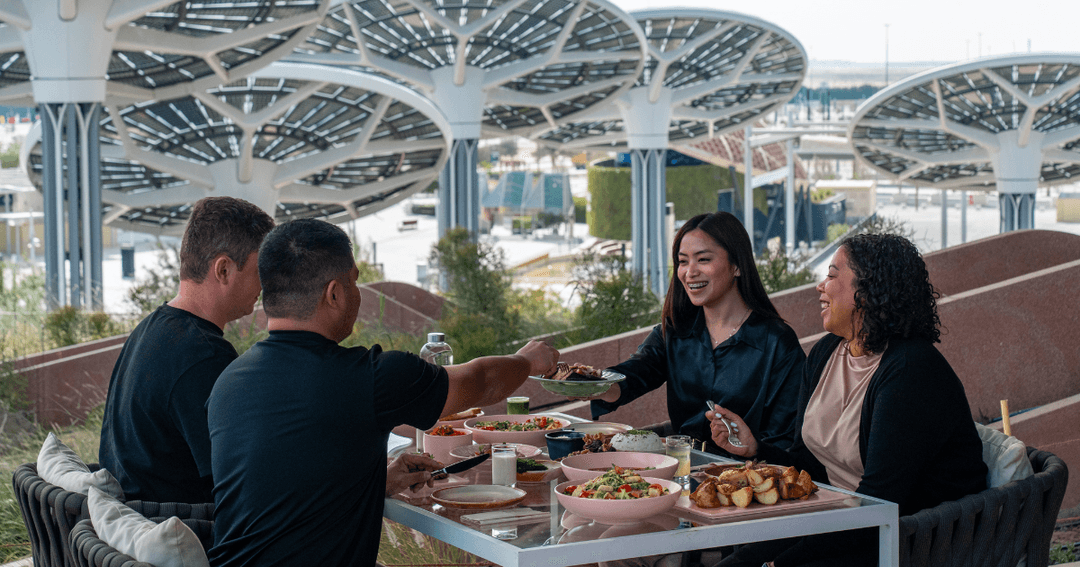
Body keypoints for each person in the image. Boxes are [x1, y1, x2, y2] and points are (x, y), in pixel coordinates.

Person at [206, 219, 559, 567]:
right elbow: (480, 381)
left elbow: (277, 489)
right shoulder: (372, 378)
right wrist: (526, 360)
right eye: (355, 281)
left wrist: (376, 480)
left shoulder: (227, 383)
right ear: (334, 293)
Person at [707, 233, 988, 567]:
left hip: (914, 538)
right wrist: (756, 449)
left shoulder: (911, 372)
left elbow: (881, 503)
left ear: (867, 292)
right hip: (841, 519)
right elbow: (809, 465)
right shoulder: (826, 353)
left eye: (831, 275)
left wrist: (785, 563)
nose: (820, 286)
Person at [98, 196, 274, 503]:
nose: (265, 286)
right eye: (260, 271)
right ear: (224, 270)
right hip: (183, 535)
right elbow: (242, 482)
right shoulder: (204, 356)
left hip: (132, 529)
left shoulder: (149, 329)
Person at [589, 212, 805, 453]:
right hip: (681, 468)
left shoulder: (777, 342)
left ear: (737, 266)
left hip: (748, 478)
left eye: (703, 260)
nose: (689, 272)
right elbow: (631, 376)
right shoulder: (674, 331)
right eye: (683, 261)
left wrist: (752, 447)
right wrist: (583, 382)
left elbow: (789, 442)